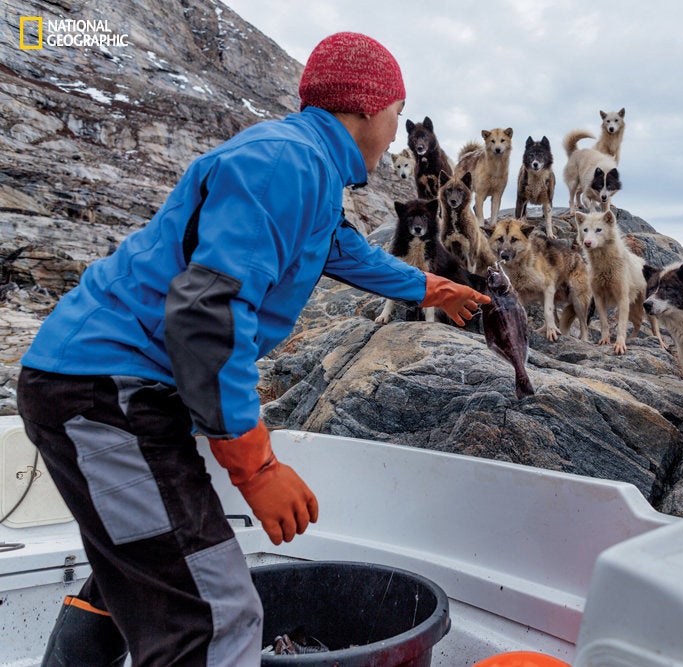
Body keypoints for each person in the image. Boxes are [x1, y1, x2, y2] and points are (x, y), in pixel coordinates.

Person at [17, 32, 489, 666]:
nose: (397, 132)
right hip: (107, 390)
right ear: (367, 108)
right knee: (216, 619)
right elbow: (208, 312)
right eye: (397, 115)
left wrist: (433, 288)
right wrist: (256, 467)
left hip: (101, 382)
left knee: (138, 573)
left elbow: (340, 251)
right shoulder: (284, 163)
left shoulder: (308, 169)